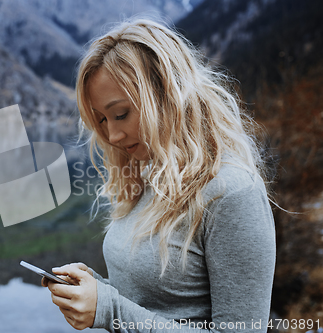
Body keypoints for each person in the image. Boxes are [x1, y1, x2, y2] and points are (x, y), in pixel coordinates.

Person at [41, 18, 276, 333]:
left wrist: (109, 309)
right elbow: (159, 304)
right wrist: (97, 290)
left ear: (168, 93)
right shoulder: (149, 177)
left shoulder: (232, 193)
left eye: (121, 114)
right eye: (102, 120)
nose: (112, 136)